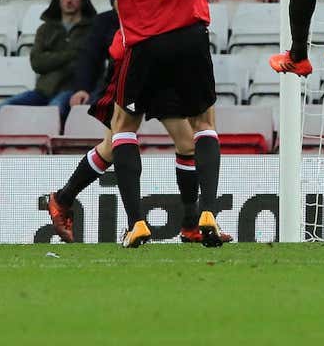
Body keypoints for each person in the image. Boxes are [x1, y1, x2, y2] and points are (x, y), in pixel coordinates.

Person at [69, 0, 231, 248]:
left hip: (145, 45)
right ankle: (207, 210)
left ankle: (136, 223)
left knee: (124, 127)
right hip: (191, 37)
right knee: (203, 123)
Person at [47, 19, 231, 245]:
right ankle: (63, 199)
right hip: (134, 55)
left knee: (186, 143)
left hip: (165, 53)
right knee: (113, 144)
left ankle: (191, 224)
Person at [0, 0, 94, 121]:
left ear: (83, 0)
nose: (69, 0)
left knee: (53, 111)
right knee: (3, 108)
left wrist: (51, 57)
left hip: (71, 91)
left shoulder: (92, 30)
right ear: (58, 0)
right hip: (43, 91)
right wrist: (70, 55)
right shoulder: (45, 29)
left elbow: (88, 63)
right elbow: (37, 62)